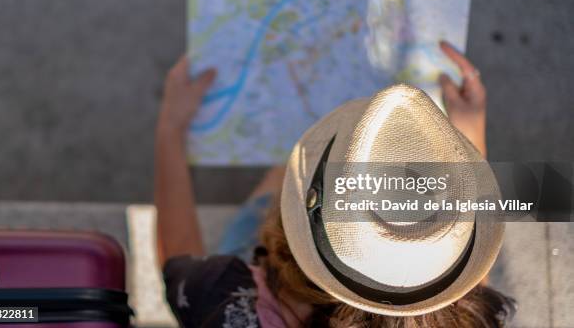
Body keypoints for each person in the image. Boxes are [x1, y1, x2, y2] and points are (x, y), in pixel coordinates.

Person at [154, 41, 515, 327]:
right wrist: (470, 134)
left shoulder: (223, 299)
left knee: (277, 178)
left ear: (285, 237)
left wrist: (171, 128)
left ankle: (278, 181)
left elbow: (179, 259)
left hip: (260, 278)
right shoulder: (466, 319)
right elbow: (458, 278)